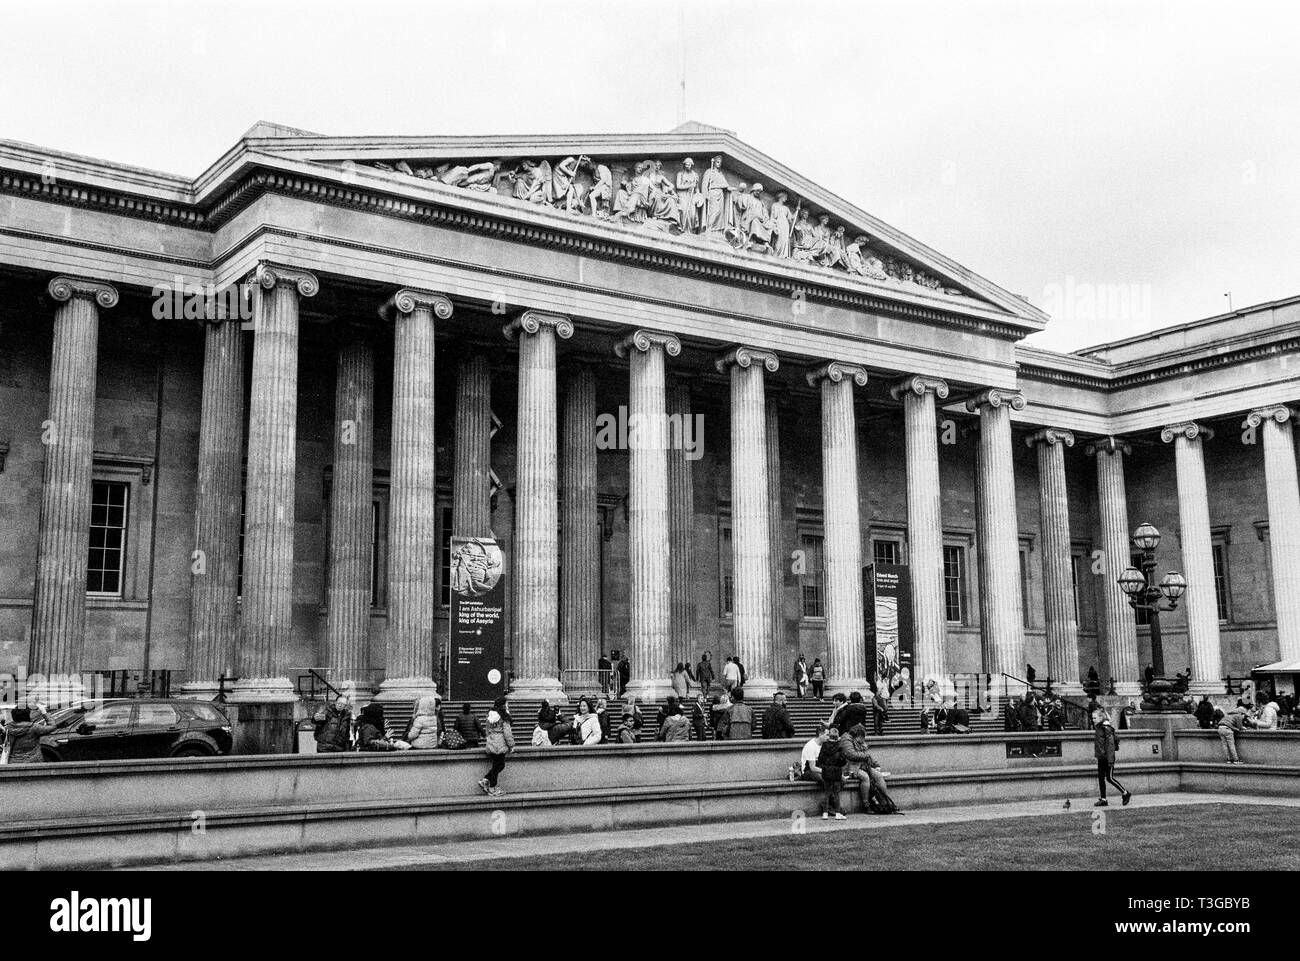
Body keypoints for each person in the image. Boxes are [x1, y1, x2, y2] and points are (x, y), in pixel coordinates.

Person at [840, 724, 901, 815]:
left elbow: (867, 755)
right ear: (858, 736)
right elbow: (851, 755)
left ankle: (886, 802)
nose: (864, 740)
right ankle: (866, 804)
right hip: (850, 767)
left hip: (863, 765)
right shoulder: (846, 740)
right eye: (863, 737)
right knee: (865, 777)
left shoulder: (860, 742)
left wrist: (876, 764)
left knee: (879, 776)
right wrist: (866, 756)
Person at [1093, 709, 1131, 807]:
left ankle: (1125, 793)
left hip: (1107, 758)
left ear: (1101, 718)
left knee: (1109, 778)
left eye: (1095, 718)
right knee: (1101, 778)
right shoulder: (1099, 728)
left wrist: (1110, 760)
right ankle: (1103, 799)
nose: (1093, 720)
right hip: (1101, 757)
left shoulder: (1106, 728)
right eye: (1092, 718)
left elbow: (1110, 746)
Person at [479, 697, 514, 797]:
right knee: (499, 765)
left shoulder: (490, 715)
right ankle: (491, 786)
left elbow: (487, 730)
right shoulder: (504, 716)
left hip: (491, 742)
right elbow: (507, 733)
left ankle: (486, 781)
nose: (507, 706)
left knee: (496, 764)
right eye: (506, 704)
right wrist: (511, 745)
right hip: (500, 743)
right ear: (503, 705)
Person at [817, 725, 847, 820]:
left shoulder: (824, 746)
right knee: (836, 793)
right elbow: (843, 761)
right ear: (837, 736)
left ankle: (825, 813)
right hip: (836, 772)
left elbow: (820, 759)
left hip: (826, 771)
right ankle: (837, 813)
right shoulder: (840, 746)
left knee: (827, 793)